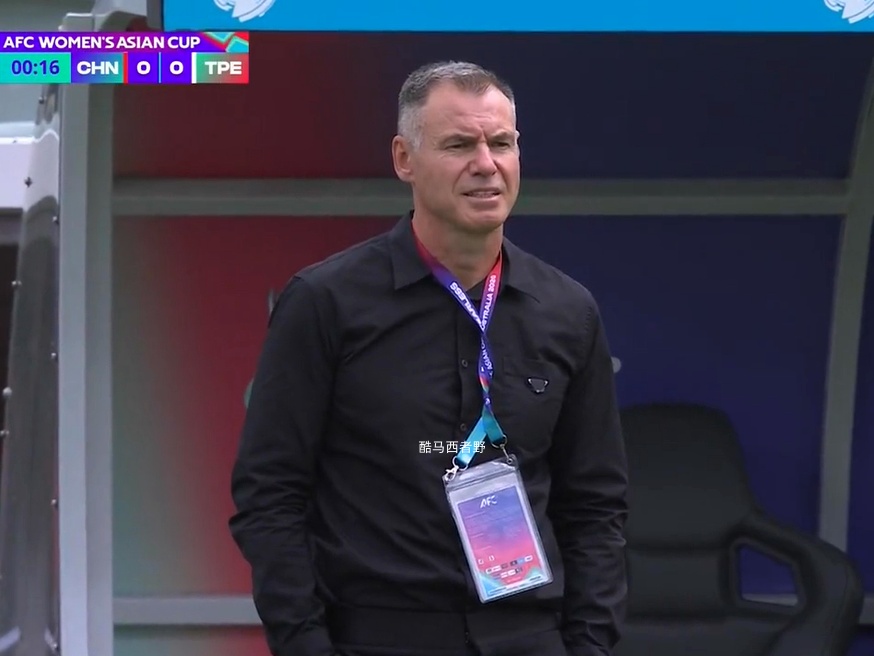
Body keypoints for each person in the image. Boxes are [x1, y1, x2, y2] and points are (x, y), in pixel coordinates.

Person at [229, 61, 629, 656]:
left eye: (501, 143)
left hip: (529, 636)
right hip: (379, 636)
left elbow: (595, 503)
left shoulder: (568, 311)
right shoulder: (326, 302)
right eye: (459, 145)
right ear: (404, 159)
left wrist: (589, 644)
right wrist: (306, 644)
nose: (486, 164)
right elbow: (270, 495)